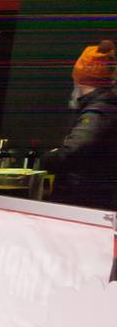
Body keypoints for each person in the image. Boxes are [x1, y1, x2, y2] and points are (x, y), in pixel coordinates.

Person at [44, 40, 117, 210]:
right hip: (93, 200)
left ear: (81, 81)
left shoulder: (97, 111)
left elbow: (75, 150)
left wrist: (48, 159)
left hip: (83, 201)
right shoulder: (105, 105)